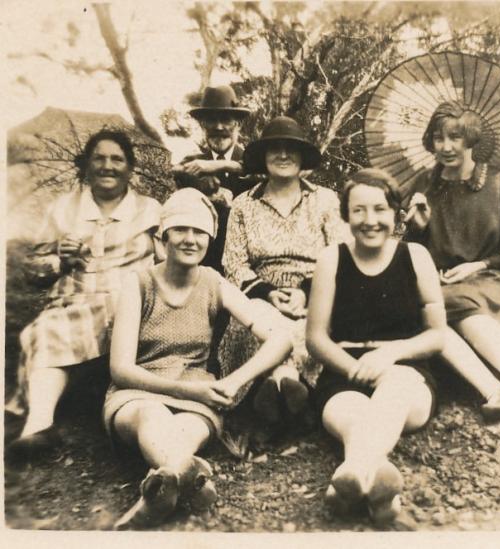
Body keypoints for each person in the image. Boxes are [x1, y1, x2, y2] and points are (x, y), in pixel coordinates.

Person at [104, 188, 293, 529]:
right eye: (181, 230)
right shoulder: (139, 283)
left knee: (189, 428)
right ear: (163, 237)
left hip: (199, 392)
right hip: (140, 391)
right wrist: (188, 393)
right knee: (152, 418)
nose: (190, 240)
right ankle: (187, 479)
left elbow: (279, 337)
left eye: (199, 231)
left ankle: (162, 490)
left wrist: (234, 381)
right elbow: (121, 368)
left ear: (210, 238)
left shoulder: (213, 282)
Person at [6, 130, 161, 462]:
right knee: (46, 329)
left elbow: (168, 263)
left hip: (130, 300)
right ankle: (39, 427)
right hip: (73, 300)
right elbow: (32, 272)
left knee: (125, 313)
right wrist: (58, 259)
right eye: (99, 158)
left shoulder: (149, 211)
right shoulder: (63, 209)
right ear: (86, 167)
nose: (108, 166)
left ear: (130, 169)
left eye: (117, 159)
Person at [306, 168, 446, 526]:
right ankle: (379, 487)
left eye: (380, 209)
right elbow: (316, 338)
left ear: (396, 213)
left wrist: (389, 355)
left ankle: (350, 478)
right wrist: (354, 368)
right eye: (359, 211)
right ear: (346, 215)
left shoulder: (416, 257)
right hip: (343, 372)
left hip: (406, 373)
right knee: (354, 420)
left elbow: (437, 335)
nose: (370, 220)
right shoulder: (331, 259)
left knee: (393, 393)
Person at [403, 101, 500, 425]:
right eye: (439, 138)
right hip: (440, 284)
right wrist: (416, 228)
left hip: (489, 283)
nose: (446, 147)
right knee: (424, 308)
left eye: (455, 138)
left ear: (471, 139)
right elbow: (411, 255)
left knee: (447, 303)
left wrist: (477, 266)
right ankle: (495, 392)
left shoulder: (498, 182)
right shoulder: (423, 186)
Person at [219, 116, 349, 440]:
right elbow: (233, 263)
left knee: (310, 326)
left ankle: (277, 385)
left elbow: (340, 253)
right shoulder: (243, 205)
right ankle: (286, 382)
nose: (282, 155)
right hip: (260, 293)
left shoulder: (325, 200)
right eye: (274, 149)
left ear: (302, 156)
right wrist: (268, 293)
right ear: (263, 158)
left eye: (290, 149)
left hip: (316, 287)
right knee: (261, 325)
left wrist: (306, 292)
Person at [173, 85, 254, 273]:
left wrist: (220, 166)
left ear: (238, 124)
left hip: (247, 269)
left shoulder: (253, 162)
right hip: (200, 270)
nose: (218, 127)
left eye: (226, 120)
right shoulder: (190, 166)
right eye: (211, 120)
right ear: (202, 125)